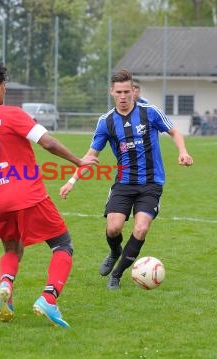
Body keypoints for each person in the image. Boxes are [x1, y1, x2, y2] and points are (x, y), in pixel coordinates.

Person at [0, 59, 97, 328]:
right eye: (4, 85)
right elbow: (47, 142)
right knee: (63, 245)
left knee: (12, 248)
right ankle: (49, 298)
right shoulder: (11, 114)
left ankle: (6, 286)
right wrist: (78, 161)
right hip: (29, 195)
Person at [59, 68, 193, 290]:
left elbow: (174, 132)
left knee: (140, 228)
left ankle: (117, 275)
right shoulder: (106, 122)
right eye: (118, 92)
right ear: (112, 92)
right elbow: (91, 156)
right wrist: (71, 181)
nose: (123, 97)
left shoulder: (149, 112)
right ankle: (114, 251)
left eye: (127, 92)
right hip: (123, 183)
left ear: (134, 91)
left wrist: (183, 151)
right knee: (113, 229)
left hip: (151, 183)